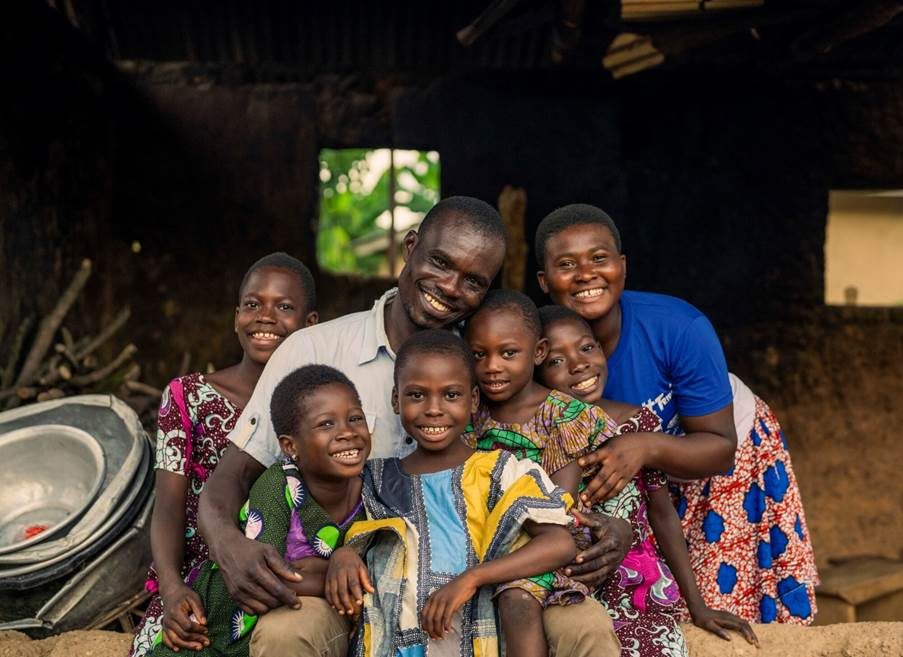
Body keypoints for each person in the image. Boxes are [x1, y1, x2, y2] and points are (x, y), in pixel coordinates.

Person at [198, 197, 630, 655]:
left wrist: (618, 524)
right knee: (286, 633)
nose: (448, 286)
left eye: (473, 281)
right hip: (361, 588)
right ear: (411, 247)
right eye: (440, 262)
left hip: (498, 581)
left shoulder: (491, 359)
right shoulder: (313, 351)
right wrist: (227, 545)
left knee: (584, 624)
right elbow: (234, 476)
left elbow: (567, 429)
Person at [535, 203, 819, 624]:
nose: (585, 274)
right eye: (566, 264)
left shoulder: (678, 327)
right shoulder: (538, 349)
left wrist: (644, 444)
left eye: (599, 258)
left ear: (622, 266)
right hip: (642, 474)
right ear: (544, 281)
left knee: (727, 589)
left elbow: (720, 449)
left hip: (725, 452)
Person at [326, 329, 579, 657]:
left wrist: (472, 578)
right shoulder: (375, 478)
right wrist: (343, 555)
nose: (433, 409)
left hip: (478, 643)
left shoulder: (501, 471)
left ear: (473, 400)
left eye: (451, 395)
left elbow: (559, 543)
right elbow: (349, 535)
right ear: (395, 399)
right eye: (417, 395)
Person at [536, 304, 758, 656]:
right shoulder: (538, 437)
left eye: (586, 348)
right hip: (571, 586)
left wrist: (697, 606)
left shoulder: (637, 422)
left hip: (639, 589)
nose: (578, 364)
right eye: (555, 361)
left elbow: (662, 513)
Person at [131, 253, 318, 657]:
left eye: (284, 307)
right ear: (236, 317)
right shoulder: (186, 398)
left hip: (283, 581)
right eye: (253, 304)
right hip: (197, 581)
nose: (265, 317)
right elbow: (167, 510)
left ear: (310, 325)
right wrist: (172, 587)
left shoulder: (319, 408)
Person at [151, 365, 370, 657]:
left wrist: (334, 567)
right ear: (291, 446)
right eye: (326, 424)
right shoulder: (278, 485)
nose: (347, 433)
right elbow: (262, 579)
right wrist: (334, 575)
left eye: (355, 418)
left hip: (285, 631)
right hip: (212, 633)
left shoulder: (375, 487)